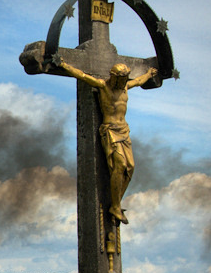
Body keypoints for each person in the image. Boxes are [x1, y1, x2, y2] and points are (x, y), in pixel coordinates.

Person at [57, 60, 158, 224]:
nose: (124, 81)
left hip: (124, 130)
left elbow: (139, 81)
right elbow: (81, 75)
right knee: (119, 165)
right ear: (115, 77)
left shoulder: (125, 88)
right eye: (122, 78)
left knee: (130, 168)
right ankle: (116, 206)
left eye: (126, 78)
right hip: (110, 130)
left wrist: (149, 74)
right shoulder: (103, 87)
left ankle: (115, 203)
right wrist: (63, 65)